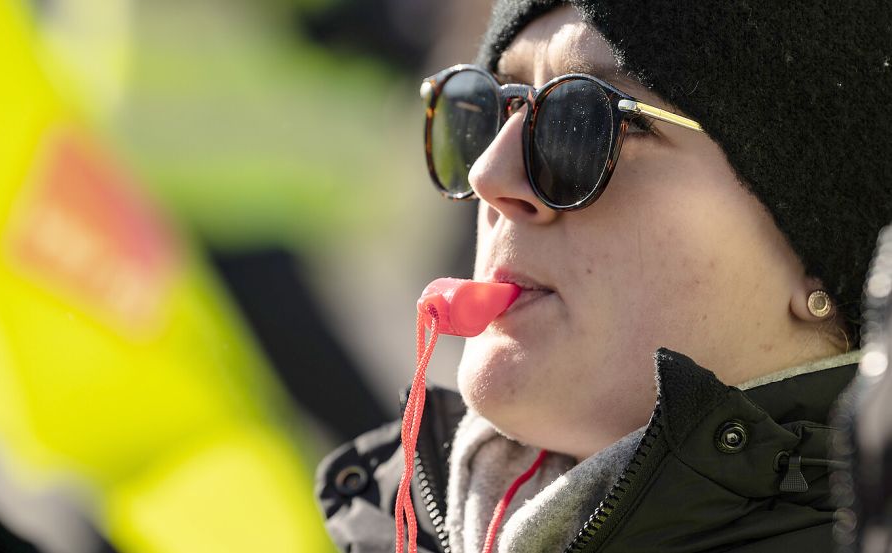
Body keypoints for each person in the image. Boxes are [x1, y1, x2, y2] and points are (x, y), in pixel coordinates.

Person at [316, 1, 892, 551]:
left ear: (818, 248)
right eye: (490, 109)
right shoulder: (388, 516)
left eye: (584, 119)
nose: (490, 173)